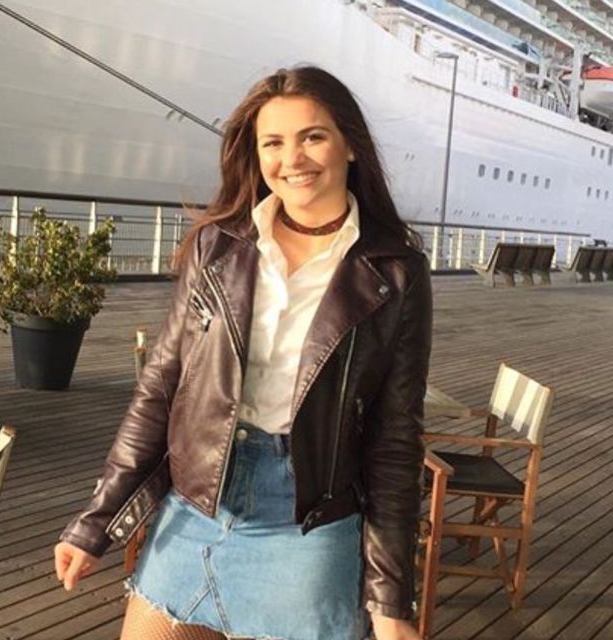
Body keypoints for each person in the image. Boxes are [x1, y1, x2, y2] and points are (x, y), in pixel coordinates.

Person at [54, 66, 431, 640]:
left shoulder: (395, 272)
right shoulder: (218, 246)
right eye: (272, 143)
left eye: (313, 136)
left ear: (350, 144)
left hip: (308, 529)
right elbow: (160, 389)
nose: (292, 159)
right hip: (196, 507)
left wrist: (389, 602)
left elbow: (394, 440)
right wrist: (96, 521)